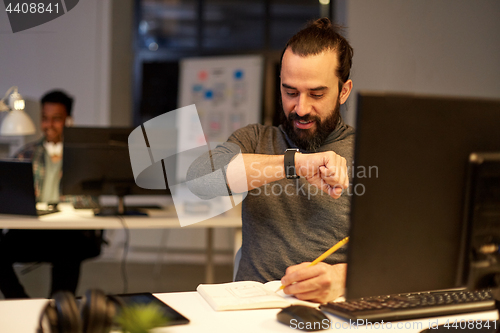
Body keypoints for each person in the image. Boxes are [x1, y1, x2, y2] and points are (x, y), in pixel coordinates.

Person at [187, 18, 354, 304]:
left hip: (331, 311)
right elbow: (200, 179)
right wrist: (295, 164)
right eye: (290, 92)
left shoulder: (369, 152)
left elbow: (401, 253)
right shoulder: (255, 140)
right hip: (251, 310)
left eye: (316, 94)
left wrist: (342, 278)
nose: (301, 108)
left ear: (343, 91)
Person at [0, 90, 103, 299]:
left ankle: (58, 312)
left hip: (69, 233)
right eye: (45, 119)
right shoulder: (25, 155)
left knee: (68, 252)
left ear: (69, 120)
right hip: (33, 231)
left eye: (56, 119)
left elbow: (92, 201)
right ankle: (21, 303)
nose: (49, 125)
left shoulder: (83, 158)